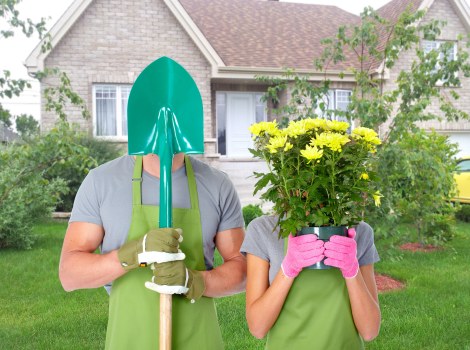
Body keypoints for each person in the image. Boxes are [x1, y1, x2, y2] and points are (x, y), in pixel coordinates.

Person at [59, 152, 246, 349]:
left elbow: (243, 271)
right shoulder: (101, 182)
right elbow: (70, 273)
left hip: (199, 338)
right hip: (130, 339)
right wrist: (132, 254)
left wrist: (194, 281)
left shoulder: (217, 184)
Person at [241, 214, 381, 350]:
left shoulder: (360, 231)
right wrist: (287, 270)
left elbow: (369, 331)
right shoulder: (263, 229)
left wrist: (352, 271)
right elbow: (257, 328)